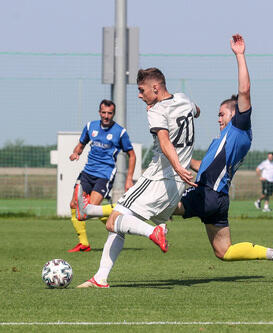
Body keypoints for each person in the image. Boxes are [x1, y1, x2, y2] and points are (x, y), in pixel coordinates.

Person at [175, 34, 273, 274]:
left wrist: (240, 55)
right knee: (224, 251)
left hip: (208, 193)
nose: (218, 117)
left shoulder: (239, 128)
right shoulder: (223, 141)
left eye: (222, 113)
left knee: (160, 205)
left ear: (235, 114)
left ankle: (98, 211)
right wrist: (178, 160)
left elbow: (244, 90)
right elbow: (204, 165)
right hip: (219, 198)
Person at [76, 67, 199, 288]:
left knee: (114, 222)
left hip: (159, 177)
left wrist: (179, 167)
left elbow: (164, 140)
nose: (140, 95)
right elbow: (196, 111)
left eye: (142, 90)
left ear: (155, 87)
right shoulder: (183, 99)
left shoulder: (155, 110)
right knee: (120, 222)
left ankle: (154, 231)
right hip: (177, 185)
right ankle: (101, 277)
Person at [67, 99, 136, 253]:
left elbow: (132, 155)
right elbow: (81, 145)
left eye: (109, 113)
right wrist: (75, 153)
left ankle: (120, 214)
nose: (106, 116)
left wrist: (129, 178)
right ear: (99, 112)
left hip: (104, 174)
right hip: (87, 172)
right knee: (73, 205)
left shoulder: (120, 132)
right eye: (103, 112)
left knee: (89, 209)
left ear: (113, 114)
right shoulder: (90, 126)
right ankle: (84, 243)